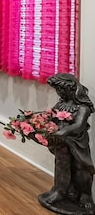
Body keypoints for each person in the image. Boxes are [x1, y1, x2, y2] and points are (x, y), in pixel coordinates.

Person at [38, 74, 95, 213]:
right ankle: (59, 190)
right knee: (61, 165)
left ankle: (85, 195)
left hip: (77, 143)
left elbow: (79, 125)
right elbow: (50, 115)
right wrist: (37, 120)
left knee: (81, 168)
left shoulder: (82, 107)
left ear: (72, 89)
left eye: (62, 90)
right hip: (61, 142)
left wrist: (64, 131)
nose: (60, 93)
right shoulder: (62, 103)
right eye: (58, 90)